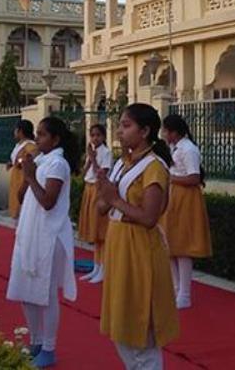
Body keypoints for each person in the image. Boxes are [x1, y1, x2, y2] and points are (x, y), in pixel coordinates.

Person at [96, 103, 179, 369]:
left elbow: (148, 217)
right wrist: (104, 190)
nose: (119, 131)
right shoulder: (123, 163)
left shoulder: (154, 167)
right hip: (119, 242)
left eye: (126, 125)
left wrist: (114, 199)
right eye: (120, 125)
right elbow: (102, 206)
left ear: (144, 131)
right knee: (123, 324)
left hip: (140, 247)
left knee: (140, 328)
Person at [7, 117, 79, 368]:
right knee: (26, 291)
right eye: (36, 134)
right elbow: (21, 196)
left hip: (49, 235)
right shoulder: (40, 161)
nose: (37, 139)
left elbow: (48, 201)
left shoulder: (58, 163)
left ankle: (49, 348)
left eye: (42, 135)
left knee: (45, 295)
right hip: (30, 233)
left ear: (56, 139)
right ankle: (36, 340)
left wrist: (30, 176)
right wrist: (27, 174)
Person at [160, 114, 212, 310]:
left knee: (183, 246)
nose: (164, 134)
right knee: (171, 245)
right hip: (174, 197)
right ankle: (175, 289)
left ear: (174, 132)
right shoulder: (174, 148)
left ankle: (185, 293)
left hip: (186, 198)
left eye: (166, 130)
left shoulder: (189, 149)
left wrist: (170, 178)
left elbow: (194, 178)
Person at [78, 124, 114, 284]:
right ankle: (96, 266)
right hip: (89, 188)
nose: (95, 138)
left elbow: (101, 174)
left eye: (98, 135)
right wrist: (88, 159)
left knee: (101, 230)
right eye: (92, 135)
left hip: (99, 190)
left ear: (104, 136)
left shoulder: (107, 153)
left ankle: (104, 268)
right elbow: (84, 173)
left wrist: (93, 158)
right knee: (93, 230)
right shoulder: (92, 152)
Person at [8, 120, 38, 219]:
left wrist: (20, 161)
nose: (14, 132)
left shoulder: (30, 145)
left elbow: (33, 156)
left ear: (20, 131)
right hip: (16, 177)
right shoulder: (19, 145)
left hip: (22, 178)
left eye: (15, 130)